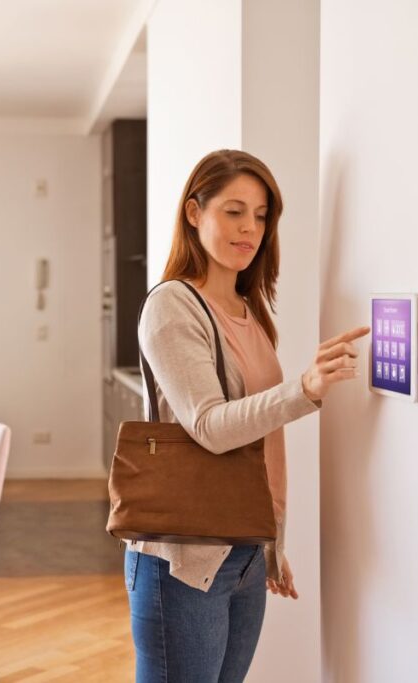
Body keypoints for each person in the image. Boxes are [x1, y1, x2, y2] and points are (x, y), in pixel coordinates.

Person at [126, 149, 370, 682]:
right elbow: (211, 427)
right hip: (183, 562)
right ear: (194, 212)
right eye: (234, 211)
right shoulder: (173, 304)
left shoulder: (247, 310)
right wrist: (304, 387)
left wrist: (270, 541)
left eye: (261, 216)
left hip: (242, 553)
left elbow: (264, 443)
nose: (250, 229)